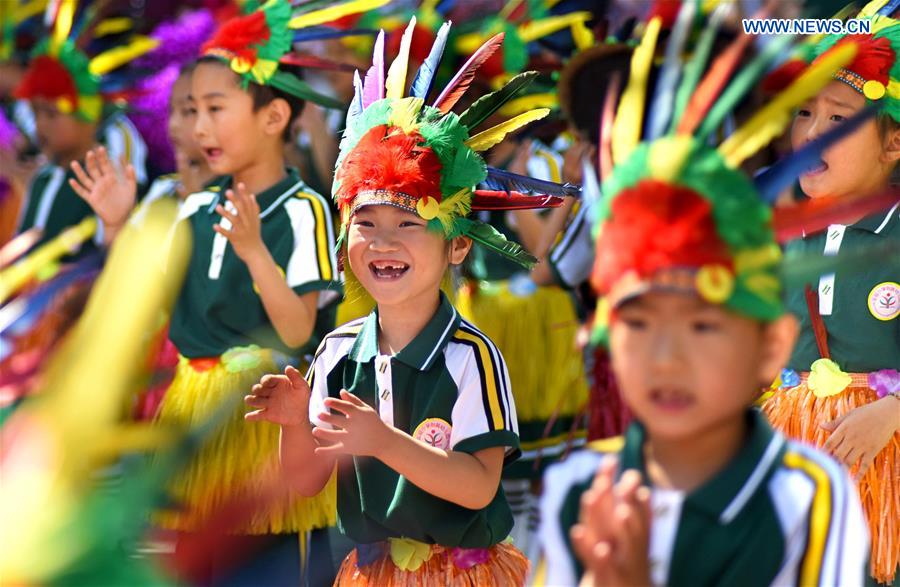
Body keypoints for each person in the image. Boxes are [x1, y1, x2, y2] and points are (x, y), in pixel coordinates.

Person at [539, 12, 873, 586]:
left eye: (703, 327)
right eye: (638, 322)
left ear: (770, 345)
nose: (666, 356)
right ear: (598, 337)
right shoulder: (578, 488)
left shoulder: (807, 495)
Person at [244, 19, 573, 584]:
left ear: (458, 244)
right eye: (365, 222)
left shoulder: (471, 356)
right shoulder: (338, 351)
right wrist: (295, 424)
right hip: (370, 570)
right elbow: (305, 481)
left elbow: (477, 485)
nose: (383, 240)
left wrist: (382, 442)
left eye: (408, 223)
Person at [68, 1, 371, 582]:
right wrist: (115, 226)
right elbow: (143, 311)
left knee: (272, 564)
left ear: (274, 116)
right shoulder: (195, 208)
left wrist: (256, 252)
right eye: (191, 111)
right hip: (191, 417)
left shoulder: (301, 208)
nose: (198, 128)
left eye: (214, 108)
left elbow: (294, 331)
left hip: (259, 415)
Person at [761, 3, 900, 583]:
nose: (812, 133)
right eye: (803, 112)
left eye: (839, 119)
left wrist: (892, 412)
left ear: (893, 146)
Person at [11, 9, 156, 252]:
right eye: (35, 112)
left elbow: (107, 260)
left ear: (89, 116)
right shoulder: (42, 180)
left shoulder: (107, 178)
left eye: (51, 114)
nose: (40, 125)